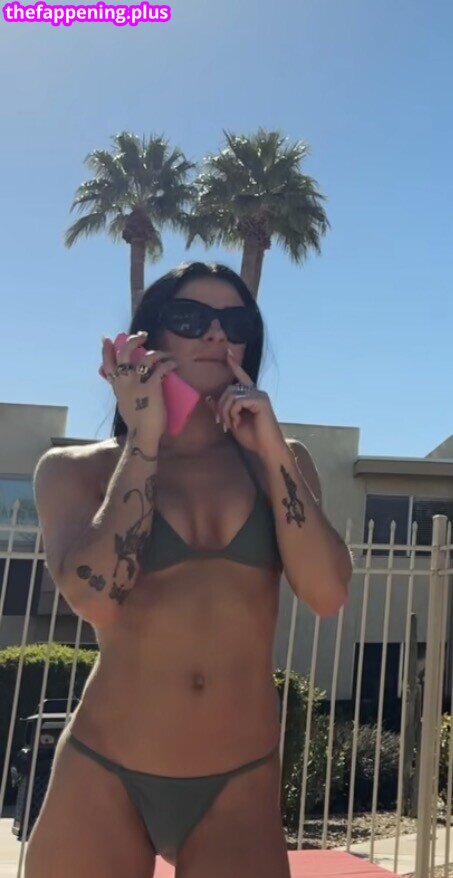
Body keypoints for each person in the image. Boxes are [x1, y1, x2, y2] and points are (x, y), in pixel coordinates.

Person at [27, 261, 314, 877]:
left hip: (240, 781)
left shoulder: (278, 462)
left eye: (235, 322)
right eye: (190, 319)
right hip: (104, 770)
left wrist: (272, 449)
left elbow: (329, 592)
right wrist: (146, 437)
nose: (216, 334)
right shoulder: (76, 471)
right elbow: (96, 600)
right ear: (150, 336)